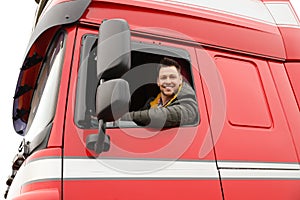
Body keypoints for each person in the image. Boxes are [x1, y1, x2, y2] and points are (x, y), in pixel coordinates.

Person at [121, 57, 199, 128]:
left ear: (180, 80)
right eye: (163, 77)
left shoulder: (188, 102)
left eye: (172, 77)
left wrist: (127, 117)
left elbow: (159, 116)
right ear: (158, 82)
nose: (168, 82)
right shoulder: (151, 103)